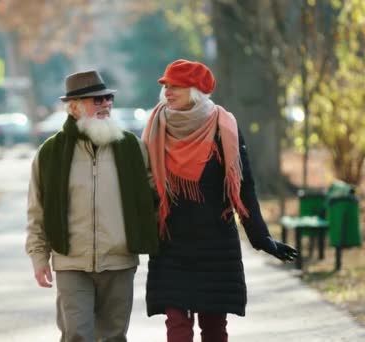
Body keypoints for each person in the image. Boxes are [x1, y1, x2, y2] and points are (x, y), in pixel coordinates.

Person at [142, 59, 298, 342]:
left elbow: (244, 186)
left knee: (214, 327)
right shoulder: (155, 126)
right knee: (176, 325)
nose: (168, 92)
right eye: (166, 86)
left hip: (215, 244)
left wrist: (262, 239)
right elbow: (142, 186)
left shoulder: (223, 127)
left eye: (176, 86)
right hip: (171, 243)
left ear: (196, 90)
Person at [26, 70, 159, 342]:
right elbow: (36, 211)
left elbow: (154, 197)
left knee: (114, 336)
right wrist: (39, 257)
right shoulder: (50, 153)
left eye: (108, 98)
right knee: (76, 334)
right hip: (71, 261)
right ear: (74, 107)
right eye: (96, 100)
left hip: (119, 260)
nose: (106, 104)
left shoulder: (132, 147)